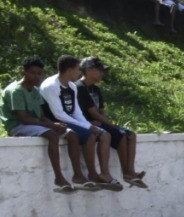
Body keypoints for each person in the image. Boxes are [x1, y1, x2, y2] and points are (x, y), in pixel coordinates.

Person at [40, 55, 121, 190]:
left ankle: (102, 174)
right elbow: (59, 114)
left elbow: (77, 112)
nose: (79, 73)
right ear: (70, 70)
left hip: (71, 119)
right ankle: (87, 174)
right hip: (57, 121)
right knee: (89, 135)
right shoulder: (51, 86)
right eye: (78, 69)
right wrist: (87, 127)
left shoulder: (72, 86)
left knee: (104, 134)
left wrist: (88, 125)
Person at [2, 57, 81, 192]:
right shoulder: (16, 91)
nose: (37, 76)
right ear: (24, 73)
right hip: (17, 126)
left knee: (72, 134)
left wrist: (55, 124)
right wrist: (52, 126)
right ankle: (59, 177)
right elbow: (24, 119)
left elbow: (41, 116)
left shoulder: (35, 90)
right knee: (52, 135)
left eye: (39, 73)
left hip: (35, 124)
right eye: (33, 73)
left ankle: (79, 175)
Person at [76, 56, 146, 187]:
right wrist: (111, 125)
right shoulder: (80, 87)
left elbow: (101, 111)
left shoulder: (96, 89)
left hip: (100, 122)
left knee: (131, 135)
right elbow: (93, 112)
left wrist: (109, 123)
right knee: (120, 134)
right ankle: (117, 173)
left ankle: (130, 171)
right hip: (88, 123)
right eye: (99, 70)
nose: (102, 73)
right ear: (89, 70)